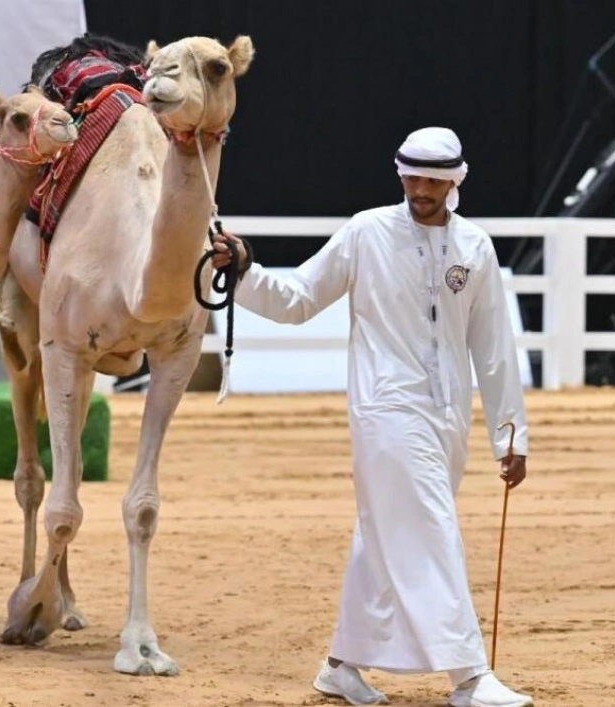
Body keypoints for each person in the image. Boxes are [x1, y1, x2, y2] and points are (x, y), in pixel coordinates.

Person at [212, 127, 534, 707]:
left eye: (433, 178)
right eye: (411, 175)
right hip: (386, 409)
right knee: (431, 528)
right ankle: (468, 674)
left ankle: (341, 666)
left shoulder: (475, 247)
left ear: (456, 181)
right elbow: (298, 299)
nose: (420, 187)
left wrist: (510, 435)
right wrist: (243, 272)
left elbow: (494, 349)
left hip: (448, 417)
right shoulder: (366, 232)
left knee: (384, 536)